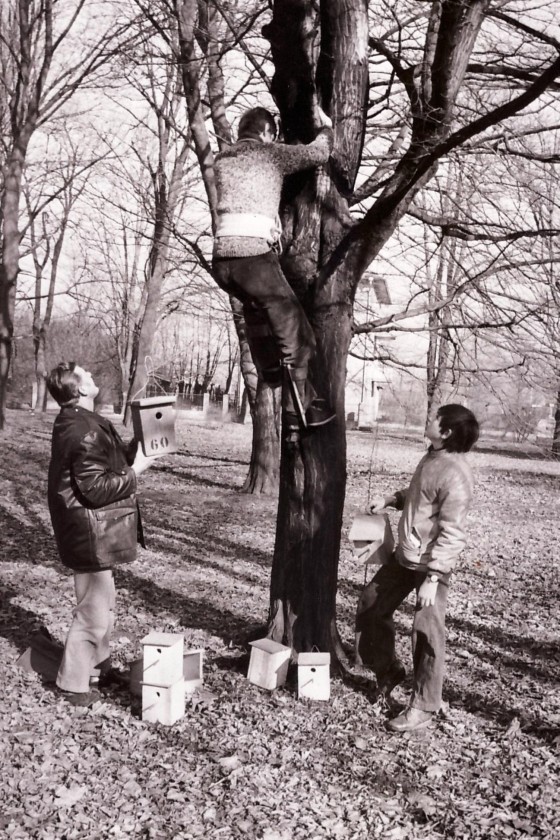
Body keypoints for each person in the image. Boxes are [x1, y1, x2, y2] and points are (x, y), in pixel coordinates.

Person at [355, 404, 480, 733]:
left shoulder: (456, 474)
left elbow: (453, 534)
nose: (427, 419)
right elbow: (418, 495)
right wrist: (389, 501)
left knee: (426, 634)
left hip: (430, 567)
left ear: (446, 431)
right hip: (404, 558)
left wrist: (434, 578)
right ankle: (389, 670)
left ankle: (424, 706)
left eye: (433, 418)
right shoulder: (432, 456)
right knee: (370, 606)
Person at [212, 105, 335, 431]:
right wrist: (326, 128)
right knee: (297, 331)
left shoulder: (222, 160)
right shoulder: (270, 155)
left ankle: (269, 370)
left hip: (223, 262)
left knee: (259, 311)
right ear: (268, 134)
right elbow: (318, 154)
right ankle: (302, 414)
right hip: (251, 257)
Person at [46, 362, 153, 707]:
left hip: (87, 529)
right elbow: (95, 488)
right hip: (88, 531)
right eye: (85, 377)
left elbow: (108, 462)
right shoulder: (82, 428)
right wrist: (135, 472)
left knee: (103, 602)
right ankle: (73, 684)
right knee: (93, 610)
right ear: (77, 390)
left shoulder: (83, 421)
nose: (92, 377)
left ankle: (99, 664)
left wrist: (140, 446)